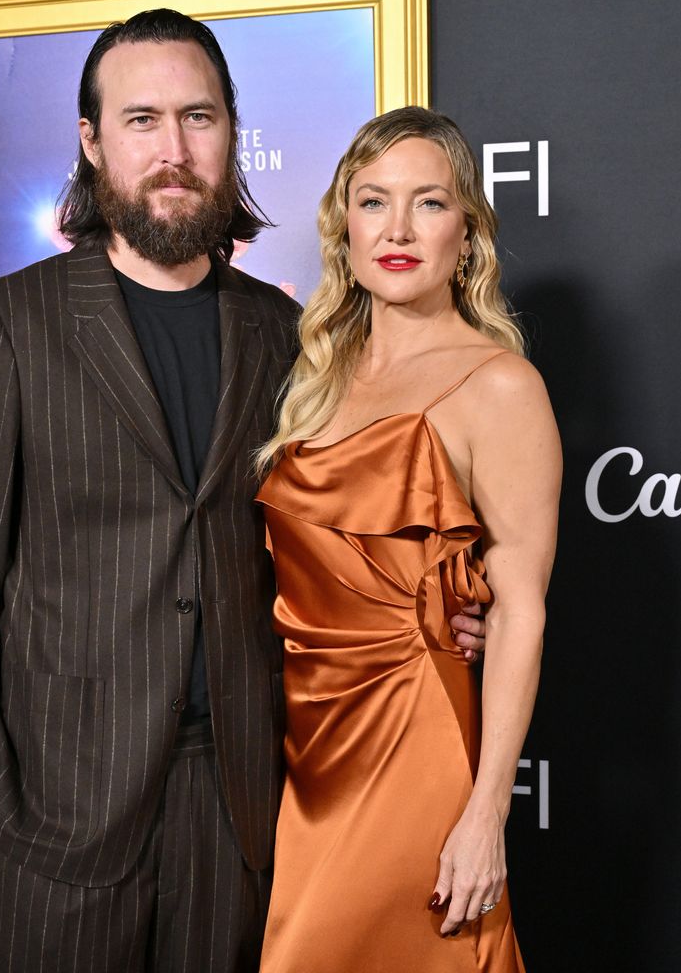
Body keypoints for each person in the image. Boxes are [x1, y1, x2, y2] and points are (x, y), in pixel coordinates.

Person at [0, 15, 486, 972]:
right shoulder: (5, 328)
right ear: (92, 142)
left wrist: (445, 612)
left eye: (197, 117)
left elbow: (340, 549)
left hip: (241, 815)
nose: (172, 150)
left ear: (229, 133)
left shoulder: (289, 337)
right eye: (141, 120)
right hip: (58, 827)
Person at [255, 106, 562, 972]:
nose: (396, 229)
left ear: (465, 235)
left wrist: (484, 814)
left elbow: (519, 613)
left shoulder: (498, 386)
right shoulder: (315, 378)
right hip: (300, 750)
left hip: (412, 743)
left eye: (427, 204)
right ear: (342, 227)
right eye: (372, 201)